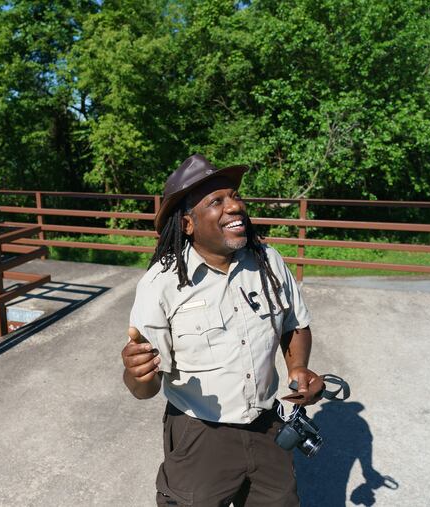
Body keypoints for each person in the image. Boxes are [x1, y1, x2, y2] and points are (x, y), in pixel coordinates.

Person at [121, 154, 325, 506]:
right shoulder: (162, 284)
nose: (235, 207)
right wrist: (136, 373)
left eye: (235, 197)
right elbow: (144, 388)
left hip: (267, 424)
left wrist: (298, 368)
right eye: (217, 201)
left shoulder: (268, 261)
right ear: (187, 223)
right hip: (200, 433)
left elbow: (295, 325)